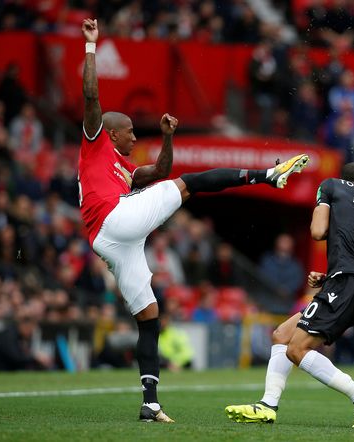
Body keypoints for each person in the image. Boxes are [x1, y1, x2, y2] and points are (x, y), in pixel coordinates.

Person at [77, 19, 309, 423]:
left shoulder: (124, 169)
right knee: (192, 185)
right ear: (111, 134)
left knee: (149, 318)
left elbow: (161, 170)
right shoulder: (96, 141)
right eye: (130, 133)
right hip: (115, 219)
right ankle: (268, 175)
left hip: (115, 241)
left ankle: (150, 403)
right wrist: (92, 46)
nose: (134, 138)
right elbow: (92, 94)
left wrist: (167, 137)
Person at [225, 162, 354, 429]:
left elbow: (317, 232)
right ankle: (267, 406)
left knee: (297, 349)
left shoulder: (332, 186)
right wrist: (328, 278)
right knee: (282, 335)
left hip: (346, 285)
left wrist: (323, 202)